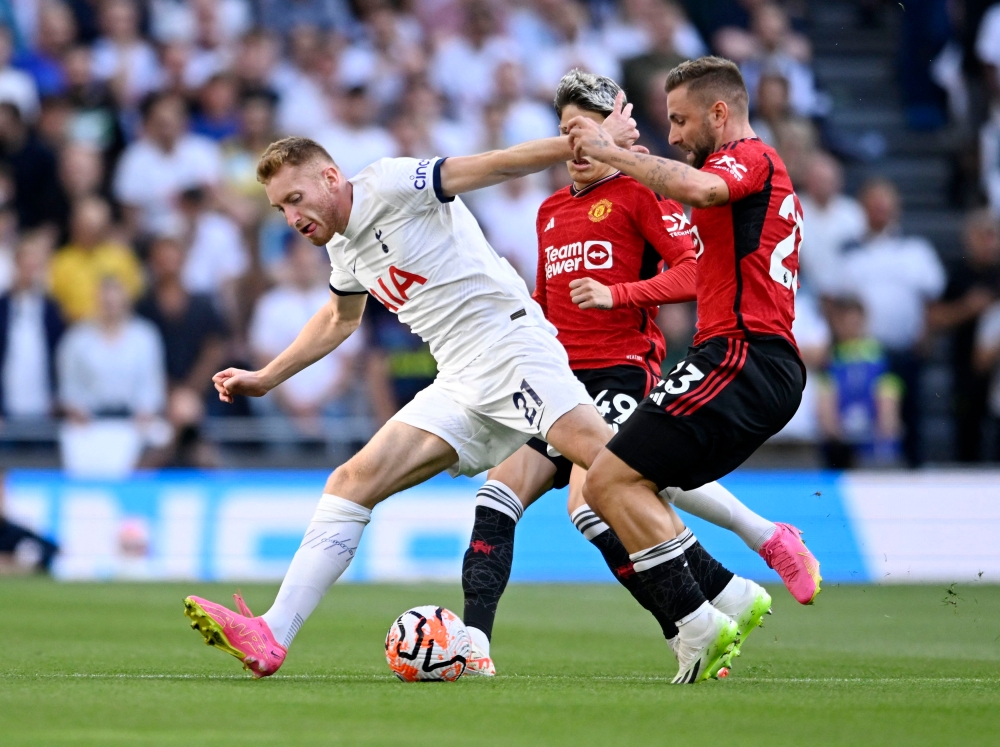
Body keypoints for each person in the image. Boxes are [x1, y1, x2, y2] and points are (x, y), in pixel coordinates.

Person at [183, 107, 645, 679]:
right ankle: (272, 633)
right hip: (460, 377)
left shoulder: (393, 182)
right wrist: (266, 377)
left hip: (509, 345)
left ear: (330, 177)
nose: (291, 216)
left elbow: (494, 166)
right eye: (281, 209)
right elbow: (338, 319)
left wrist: (587, 146)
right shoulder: (342, 247)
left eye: (295, 199)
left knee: (614, 464)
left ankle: (735, 568)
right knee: (351, 482)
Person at [459, 70, 818, 678]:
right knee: (501, 497)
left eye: (584, 132)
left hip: (626, 371)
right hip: (559, 385)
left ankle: (704, 612)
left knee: (604, 491)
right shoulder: (550, 212)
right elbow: (546, 307)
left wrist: (620, 294)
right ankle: (473, 647)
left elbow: (691, 272)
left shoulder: (653, 188)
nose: (573, 145)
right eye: (565, 132)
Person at [566, 56, 817, 683]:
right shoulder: (727, 183)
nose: (673, 135)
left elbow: (701, 187)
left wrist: (610, 151)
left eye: (679, 121)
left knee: (607, 483)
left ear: (720, 113)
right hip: (735, 358)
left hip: (744, 355)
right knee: (620, 479)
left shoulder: (752, 158)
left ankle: (702, 622)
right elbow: (692, 250)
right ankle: (738, 580)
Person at [839, 179, 945, 466]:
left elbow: (931, 298)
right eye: (874, 205)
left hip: (904, 347)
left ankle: (914, 469)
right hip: (864, 351)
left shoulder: (916, 251)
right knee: (861, 415)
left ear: (897, 208)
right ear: (862, 209)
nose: (881, 211)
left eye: (886, 205)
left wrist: (926, 335)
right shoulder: (850, 254)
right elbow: (840, 302)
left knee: (910, 413)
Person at [928, 209, 1000, 462]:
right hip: (967, 365)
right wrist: (968, 308)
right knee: (967, 430)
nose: (988, 243)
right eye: (981, 236)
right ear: (969, 239)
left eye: (992, 236)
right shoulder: (959, 274)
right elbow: (936, 318)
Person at [816, 295, 902, 468]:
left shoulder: (881, 355)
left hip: (874, 434)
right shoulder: (829, 357)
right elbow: (824, 392)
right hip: (839, 437)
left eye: (856, 323)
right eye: (846, 323)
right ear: (837, 324)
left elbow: (889, 391)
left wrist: (886, 424)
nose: (851, 328)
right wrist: (833, 429)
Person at [0, 232, 65, 419]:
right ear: (16, 266)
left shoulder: (51, 311)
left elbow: (58, 356)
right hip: (6, 406)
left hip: (43, 405)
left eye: (35, 266)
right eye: (25, 265)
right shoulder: (3, 308)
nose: (29, 271)